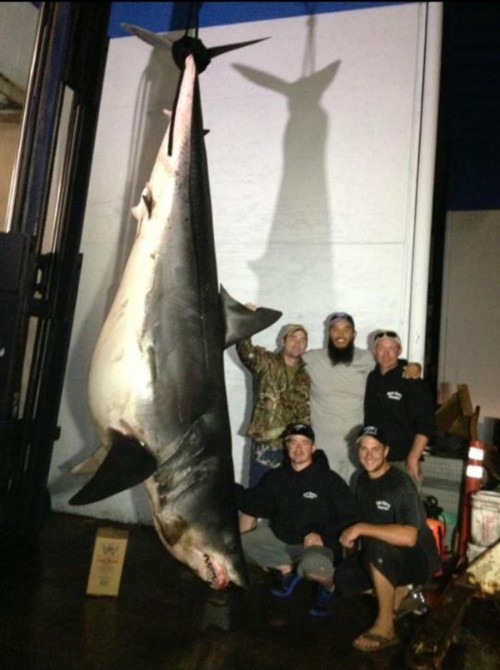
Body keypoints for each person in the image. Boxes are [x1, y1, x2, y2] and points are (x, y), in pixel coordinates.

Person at [236, 423, 360, 618]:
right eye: (293, 443)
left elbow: (352, 516)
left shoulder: (329, 480)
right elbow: (254, 503)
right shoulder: (275, 477)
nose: (298, 448)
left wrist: (324, 536)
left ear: (313, 447)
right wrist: (224, 484)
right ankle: (284, 569)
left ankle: (327, 588)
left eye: (304, 443)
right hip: (281, 538)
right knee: (241, 545)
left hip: (314, 545)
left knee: (315, 567)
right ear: (286, 446)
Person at [338, 426, 440, 653]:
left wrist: (361, 528)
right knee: (344, 578)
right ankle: (402, 593)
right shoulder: (360, 480)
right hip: (388, 554)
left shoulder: (400, 484)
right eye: (364, 448)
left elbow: (410, 537)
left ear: (386, 451)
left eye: (375, 449)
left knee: (378, 551)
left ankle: (386, 626)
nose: (369, 454)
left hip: (418, 559)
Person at [237, 320, 310, 486]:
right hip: (265, 447)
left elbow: (304, 413)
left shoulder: (304, 376)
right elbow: (245, 351)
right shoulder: (266, 362)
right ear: (283, 341)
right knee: (259, 495)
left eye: (302, 340)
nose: (298, 343)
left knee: (287, 499)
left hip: (292, 450)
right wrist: (247, 320)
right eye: (293, 338)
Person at [364, 330, 436, 485]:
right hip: (375, 462)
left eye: (391, 348)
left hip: (402, 463)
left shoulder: (411, 379)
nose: (386, 353)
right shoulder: (372, 378)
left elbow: (426, 423)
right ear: (375, 351)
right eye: (381, 348)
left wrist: (413, 458)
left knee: (406, 509)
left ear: (399, 351)